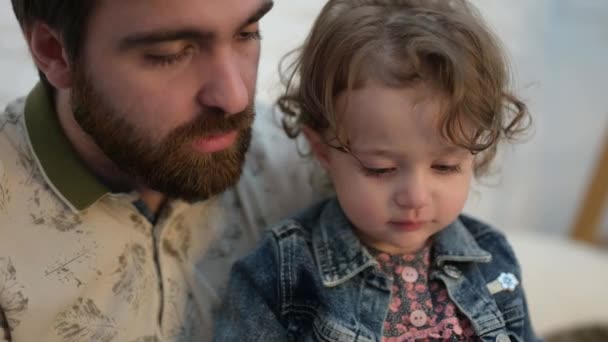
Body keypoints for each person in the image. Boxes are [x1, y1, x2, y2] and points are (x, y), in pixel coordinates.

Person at [0, 0, 329, 341]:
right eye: (170, 53)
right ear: (54, 51)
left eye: (247, 33)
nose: (235, 97)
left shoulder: (314, 170)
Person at [214, 0, 541, 341]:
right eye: (380, 168)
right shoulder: (284, 273)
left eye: (445, 166)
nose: (414, 196)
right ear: (322, 149)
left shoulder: (490, 257)